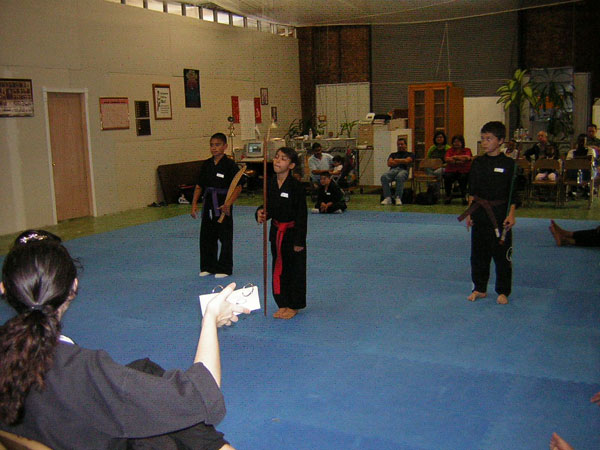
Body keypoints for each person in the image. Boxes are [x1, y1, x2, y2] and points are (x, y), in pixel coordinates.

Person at [0, 230, 249, 449]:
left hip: (56, 434)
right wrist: (210, 320)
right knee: (172, 418)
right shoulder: (84, 371)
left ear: (4, 289)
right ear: (73, 288)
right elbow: (198, 395)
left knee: (144, 370)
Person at [460, 121, 516, 305]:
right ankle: (479, 288)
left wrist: (511, 214)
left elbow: (513, 193)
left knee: (501, 255)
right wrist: (469, 213)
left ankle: (503, 291)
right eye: (483, 138)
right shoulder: (478, 162)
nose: (484, 142)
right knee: (478, 254)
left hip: (500, 213)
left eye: (489, 139)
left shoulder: (509, 164)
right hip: (479, 212)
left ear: (500, 140)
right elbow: (472, 190)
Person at [256, 147, 307, 320]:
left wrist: (299, 241)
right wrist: (261, 212)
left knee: (294, 270)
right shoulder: (270, 183)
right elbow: (268, 206)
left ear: (291, 165)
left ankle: (294, 304)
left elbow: (301, 215)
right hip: (276, 232)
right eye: (277, 157)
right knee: (278, 268)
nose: (277, 161)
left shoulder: (296, 187)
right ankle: (282, 302)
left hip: (292, 234)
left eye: (283, 159)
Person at [191, 133, 243, 279]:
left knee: (225, 237)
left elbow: (238, 187)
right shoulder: (206, 164)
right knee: (207, 236)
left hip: (223, 203)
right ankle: (208, 266)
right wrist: (194, 204)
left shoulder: (230, 165)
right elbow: (199, 186)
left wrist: (228, 204)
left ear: (225, 146)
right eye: (212, 145)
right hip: (208, 203)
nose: (214, 148)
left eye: (217, 145)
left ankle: (224, 268)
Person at [380, 136, 414, 206]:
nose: (400, 146)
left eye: (402, 144)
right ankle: (388, 197)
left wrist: (396, 160)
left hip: (404, 170)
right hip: (393, 170)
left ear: (406, 145)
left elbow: (407, 161)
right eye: (398, 144)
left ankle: (398, 197)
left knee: (400, 177)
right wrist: (402, 161)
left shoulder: (410, 154)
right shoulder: (393, 154)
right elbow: (389, 163)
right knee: (384, 177)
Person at [443, 134, 472, 205]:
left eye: (458, 141)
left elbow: (468, 158)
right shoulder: (449, 150)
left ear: (462, 142)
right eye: (455, 142)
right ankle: (448, 195)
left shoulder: (467, 150)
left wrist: (454, 157)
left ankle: (464, 196)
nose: (456, 143)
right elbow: (447, 159)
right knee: (447, 176)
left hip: (464, 170)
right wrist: (460, 159)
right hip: (451, 170)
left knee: (463, 177)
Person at [565, 133, 597, 198]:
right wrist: (584, 158)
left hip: (587, 172)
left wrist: (576, 158)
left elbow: (590, 159)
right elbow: (569, 162)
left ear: (586, 142)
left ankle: (587, 189)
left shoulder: (591, 150)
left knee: (590, 170)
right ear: (577, 141)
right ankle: (573, 190)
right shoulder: (572, 151)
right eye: (580, 141)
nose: (582, 143)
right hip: (574, 172)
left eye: (583, 141)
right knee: (570, 171)